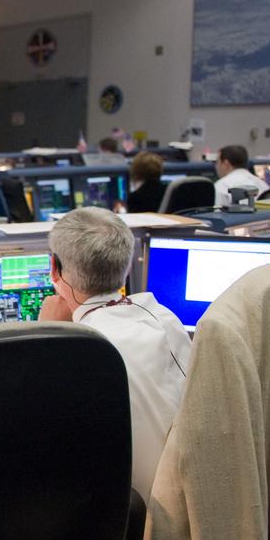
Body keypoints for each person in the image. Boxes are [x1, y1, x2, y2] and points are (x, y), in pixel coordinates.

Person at [39, 207, 191, 500]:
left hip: (133, 525)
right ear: (128, 267)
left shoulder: (75, 352)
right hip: (188, 509)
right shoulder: (165, 319)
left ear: (54, 269)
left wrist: (46, 334)